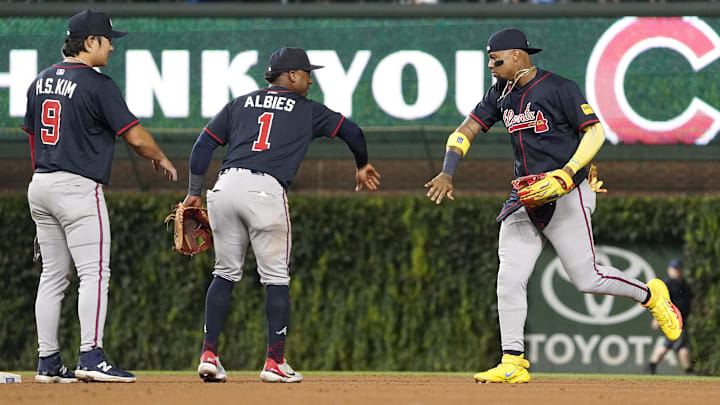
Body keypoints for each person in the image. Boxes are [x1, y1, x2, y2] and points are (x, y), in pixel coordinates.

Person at [424, 28, 683, 383]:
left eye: (495, 58)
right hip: (525, 197)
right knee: (509, 277)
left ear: (517, 55)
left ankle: (650, 295)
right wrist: (447, 171)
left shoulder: (559, 88)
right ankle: (513, 361)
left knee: (586, 277)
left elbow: (595, 132)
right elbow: (464, 131)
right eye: (489, 59)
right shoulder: (500, 93)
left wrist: (568, 173)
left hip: (565, 191)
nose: (491, 65)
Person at [184, 47, 381, 383]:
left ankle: (209, 355)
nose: (310, 79)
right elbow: (353, 132)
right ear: (290, 75)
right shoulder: (307, 110)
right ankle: (274, 362)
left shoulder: (239, 103)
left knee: (224, 272)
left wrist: (193, 191)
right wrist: (362, 165)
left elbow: (203, 144)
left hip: (224, 187)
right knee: (275, 277)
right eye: (306, 73)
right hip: (264, 191)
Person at [23, 10, 178, 383]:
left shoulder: (40, 81)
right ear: (89, 42)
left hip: (40, 184)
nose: (111, 47)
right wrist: (161, 158)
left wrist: (43, 185)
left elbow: (33, 136)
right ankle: (91, 356)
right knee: (94, 273)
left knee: (53, 277)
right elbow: (135, 136)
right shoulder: (98, 84)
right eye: (107, 40)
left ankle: (47, 362)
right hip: (77, 188)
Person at [647, 259, 694, 375]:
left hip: (682, 318)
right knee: (682, 344)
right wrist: (657, 318)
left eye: (678, 268)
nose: (676, 271)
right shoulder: (666, 285)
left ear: (682, 270)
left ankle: (651, 365)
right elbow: (659, 302)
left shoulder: (685, 284)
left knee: (669, 344)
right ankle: (688, 370)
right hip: (674, 319)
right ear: (669, 270)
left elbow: (691, 300)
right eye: (674, 269)